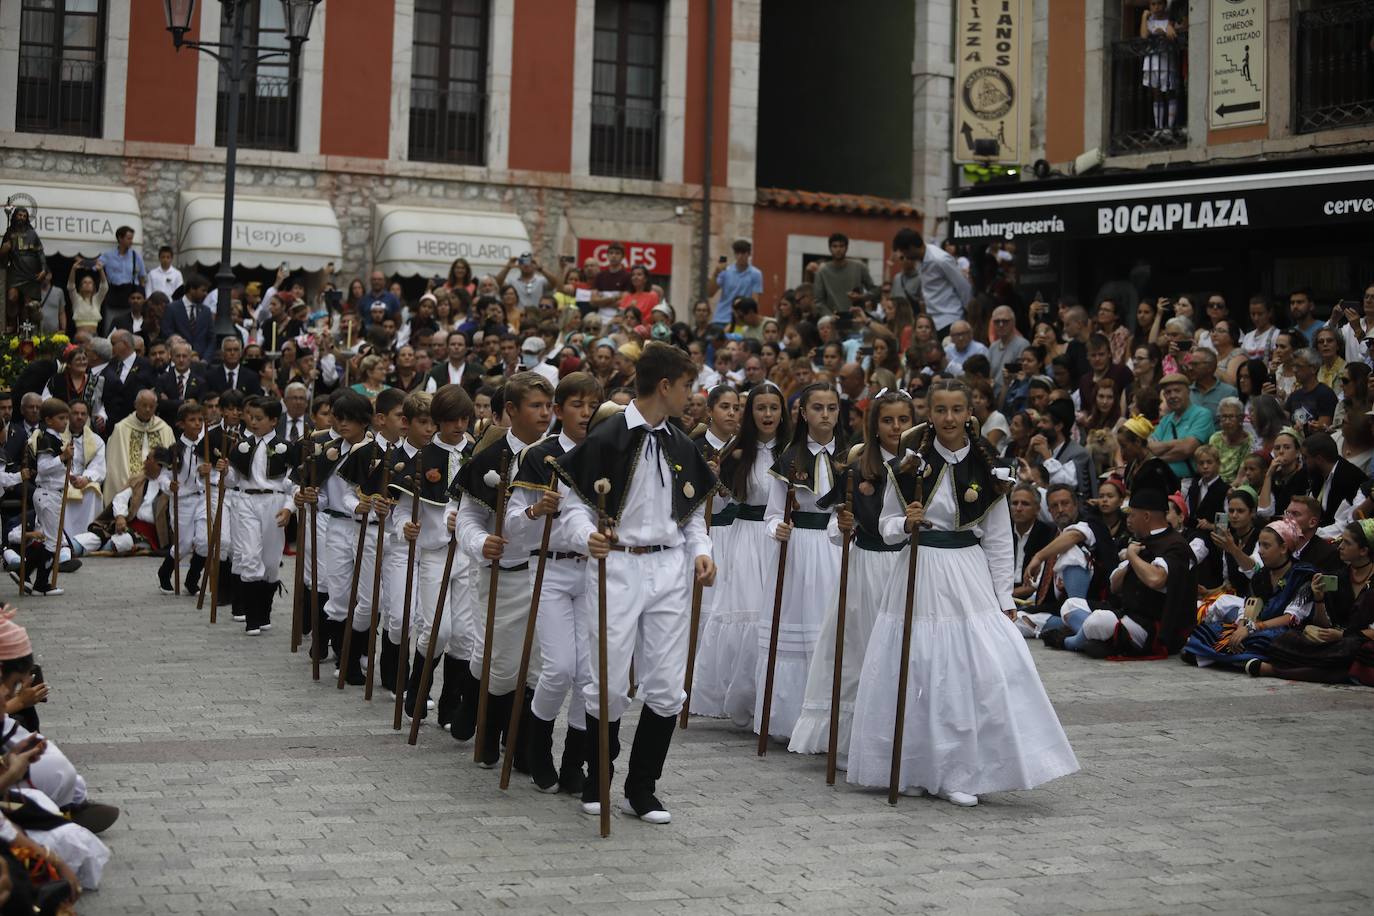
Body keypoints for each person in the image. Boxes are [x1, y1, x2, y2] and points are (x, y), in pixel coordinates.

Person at [847, 378, 1077, 806]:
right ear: (929, 414)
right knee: (916, 665)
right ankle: (914, 766)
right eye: (941, 410)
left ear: (968, 414)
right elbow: (885, 526)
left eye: (957, 410)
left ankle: (959, 770)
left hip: (965, 575)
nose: (949, 418)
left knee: (967, 669)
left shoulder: (988, 469)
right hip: (917, 572)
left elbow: (996, 538)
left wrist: (1004, 598)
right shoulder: (910, 466)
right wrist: (905, 523)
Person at [555, 341, 717, 823]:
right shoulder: (606, 438)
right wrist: (589, 538)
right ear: (664, 386)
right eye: (687, 386)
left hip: (668, 568)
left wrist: (703, 552)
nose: (692, 395)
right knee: (606, 682)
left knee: (667, 686)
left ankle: (642, 788)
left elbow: (691, 517)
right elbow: (573, 508)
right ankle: (596, 778)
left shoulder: (682, 444)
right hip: (618, 566)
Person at [788, 390, 912, 764]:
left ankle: (901, 736)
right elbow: (834, 523)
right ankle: (851, 736)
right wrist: (843, 525)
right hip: (867, 566)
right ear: (874, 426)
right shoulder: (858, 469)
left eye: (903, 420)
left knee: (901, 651)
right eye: (887, 420)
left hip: (906, 565)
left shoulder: (922, 467)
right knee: (858, 649)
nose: (895, 427)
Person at [502, 372, 602, 793]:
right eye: (577, 405)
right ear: (559, 412)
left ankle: (575, 759)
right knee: (558, 667)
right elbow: (510, 527)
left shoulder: (605, 453)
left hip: (595, 569)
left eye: (592, 405)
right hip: (550, 568)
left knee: (588, 672)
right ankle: (537, 747)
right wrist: (536, 511)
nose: (586, 413)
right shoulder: (538, 456)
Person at [454, 372, 552, 766]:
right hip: (504, 576)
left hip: (552, 575)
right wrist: (481, 543)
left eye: (549, 406)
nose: (545, 414)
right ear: (510, 411)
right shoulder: (489, 461)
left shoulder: (560, 455)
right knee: (504, 664)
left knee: (542, 666)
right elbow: (467, 520)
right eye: (535, 406)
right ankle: (489, 734)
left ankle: (526, 748)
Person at [692, 382, 789, 727]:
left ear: (783, 412)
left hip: (781, 539)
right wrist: (712, 481)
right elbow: (720, 502)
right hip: (746, 539)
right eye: (760, 408)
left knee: (777, 617)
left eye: (773, 408)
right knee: (745, 615)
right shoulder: (736, 450)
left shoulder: (791, 451)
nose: (767, 415)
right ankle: (744, 698)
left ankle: (775, 699)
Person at [1042, 467, 1199, 659]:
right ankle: (1093, 640)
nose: (1129, 520)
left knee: (1098, 621)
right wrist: (1129, 563)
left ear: (1147, 516)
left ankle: (1070, 642)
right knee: (1071, 605)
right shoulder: (1142, 541)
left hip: (1154, 627)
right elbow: (1114, 585)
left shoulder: (1175, 545)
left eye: (1132, 515)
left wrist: (1133, 557)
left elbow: (1156, 579)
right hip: (1126, 614)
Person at [397, 384, 475, 728]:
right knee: (438, 629)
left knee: (465, 634)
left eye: (464, 419)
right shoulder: (421, 459)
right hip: (435, 553)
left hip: (470, 555)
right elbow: (401, 509)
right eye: (451, 420)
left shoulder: (478, 453)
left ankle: (451, 703)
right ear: (438, 421)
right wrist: (404, 527)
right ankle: (418, 686)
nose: (459, 426)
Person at [305, 390, 376, 679]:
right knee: (339, 592)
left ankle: (360, 650)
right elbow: (322, 495)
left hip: (369, 528)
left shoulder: (376, 452)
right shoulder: (328, 451)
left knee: (369, 595)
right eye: (339, 418)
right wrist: (311, 498)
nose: (343, 424)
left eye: (350, 419)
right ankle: (340, 653)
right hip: (337, 525)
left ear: (364, 422)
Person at [1182, 518, 1314, 670]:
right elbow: (1250, 605)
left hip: (1282, 630)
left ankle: (1218, 657)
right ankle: (1234, 659)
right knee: (1207, 631)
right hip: (1256, 626)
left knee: (1266, 641)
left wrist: (1251, 628)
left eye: (1266, 546)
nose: (1260, 551)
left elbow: (1291, 618)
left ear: (1283, 548)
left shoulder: (1302, 575)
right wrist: (1241, 627)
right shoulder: (1262, 575)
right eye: (1260, 545)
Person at [1251, 520, 1374, 682]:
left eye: (1347, 542)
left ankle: (1275, 670)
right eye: (1341, 540)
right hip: (1332, 642)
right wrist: (1319, 600)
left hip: (1357, 641)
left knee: (1358, 650)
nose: (1340, 546)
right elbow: (1323, 624)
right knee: (1286, 639)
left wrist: (1342, 635)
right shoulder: (1338, 577)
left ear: (1364, 550)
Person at [223, 395, 294, 636]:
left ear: (273, 421)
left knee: (271, 560)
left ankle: (264, 610)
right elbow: (232, 480)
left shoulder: (286, 448)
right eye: (250, 417)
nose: (253, 422)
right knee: (249, 555)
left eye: (259, 418)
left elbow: (293, 484)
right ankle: (251, 617)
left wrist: (289, 507)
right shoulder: (241, 446)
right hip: (246, 500)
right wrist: (225, 471)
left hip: (274, 501)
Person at [156, 401, 210, 596]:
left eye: (200, 420)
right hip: (183, 500)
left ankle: (193, 578)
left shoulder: (207, 447)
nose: (197, 424)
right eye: (192, 420)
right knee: (184, 544)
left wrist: (209, 472)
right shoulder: (174, 450)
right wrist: (169, 486)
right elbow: (162, 476)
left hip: (204, 498)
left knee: (205, 540)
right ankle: (165, 572)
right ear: (181, 424)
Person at [19, 400, 72, 596]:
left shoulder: (56, 439)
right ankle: (42, 583)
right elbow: (43, 468)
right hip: (48, 494)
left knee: (50, 540)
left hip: (53, 493)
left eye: (66, 418)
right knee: (53, 541)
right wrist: (63, 458)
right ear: (48, 420)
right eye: (61, 418)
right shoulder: (47, 440)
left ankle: (24, 571)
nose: (65, 422)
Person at [890, 228, 970, 338]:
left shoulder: (940, 259)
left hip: (950, 319)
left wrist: (969, 316)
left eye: (905, 253)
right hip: (933, 323)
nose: (906, 257)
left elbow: (963, 286)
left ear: (912, 248)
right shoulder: (919, 262)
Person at [102, 389, 174, 504]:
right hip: (129, 487)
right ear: (135, 405)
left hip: (158, 487)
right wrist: (131, 486)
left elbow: (170, 464)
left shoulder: (165, 429)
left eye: (151, 406)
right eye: (144, 405)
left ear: (156, 407)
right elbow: (115, 467)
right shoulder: (121, 429)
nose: (147, 409)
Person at [1148, 373, 1215, 481]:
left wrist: (1157, 458)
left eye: (1177, 390)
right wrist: (1179, 442)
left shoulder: (1202, 414)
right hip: (1163, 481)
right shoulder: (1166, 420)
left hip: (1190, 481)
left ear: (1188, 392)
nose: (1172, 395)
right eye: (1168, 392)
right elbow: (1150, 448)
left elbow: (1186, 449)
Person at [1301, 432, 1366, 537]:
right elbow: (1310, 505)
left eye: (1306, 458)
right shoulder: (1318, 474)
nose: (1304, 462)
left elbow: (1342, 526)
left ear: (1319, 459)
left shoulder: (1349, 479)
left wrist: (1308, 535)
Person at [60, 400, 105, 550]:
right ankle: (63, 539)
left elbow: (98, 465)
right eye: (75, 413)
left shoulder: (96, 441)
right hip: (62, 479)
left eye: (83, 414)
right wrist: (70, 476)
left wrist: (86, 478)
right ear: (68, 415)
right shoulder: (58, 436)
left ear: (88, 417)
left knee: (94, 490)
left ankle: (85, 539)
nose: (79, 417)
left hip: (84, 481)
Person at [811, 233, 876, 320]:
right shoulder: (822, 271)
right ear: (830, 248)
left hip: (856, 319)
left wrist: (861, 297)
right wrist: (829, 316)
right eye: (835, 246)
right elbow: (818, 301)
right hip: (832, 321)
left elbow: (875, 290)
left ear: (846, 248)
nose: (838, 249)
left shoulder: (859, 267)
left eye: (841, 246)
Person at [709, 239, 764, 327]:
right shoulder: (725, 271)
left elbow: (754, 300)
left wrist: (753, 319)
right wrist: (716, 272)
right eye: (737, 253)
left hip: (742, 321)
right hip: (722, 317)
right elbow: (710, 293)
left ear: (749, 254)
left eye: (743, 253)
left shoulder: (756, 274)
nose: (740, 256)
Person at [98, 225, 146, 325]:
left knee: (128, 324)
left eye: (132, 238)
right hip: (113, 294)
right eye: (129, 238)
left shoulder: (135, 256)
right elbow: (96, 266)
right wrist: (83, 262)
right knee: (110, 324)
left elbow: (142, 278)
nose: (131, 241)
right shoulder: (108, 255)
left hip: (130, 297)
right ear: (120, 238)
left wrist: (141, 296)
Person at [162, 274, 216, 361]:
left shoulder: (206, 311)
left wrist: (205, 360)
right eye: (203, 290)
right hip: (179, 360)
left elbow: (212, 339)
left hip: (201, 363)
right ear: (192, 289)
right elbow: (167, 332)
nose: (206, 294)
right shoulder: (172, 309)